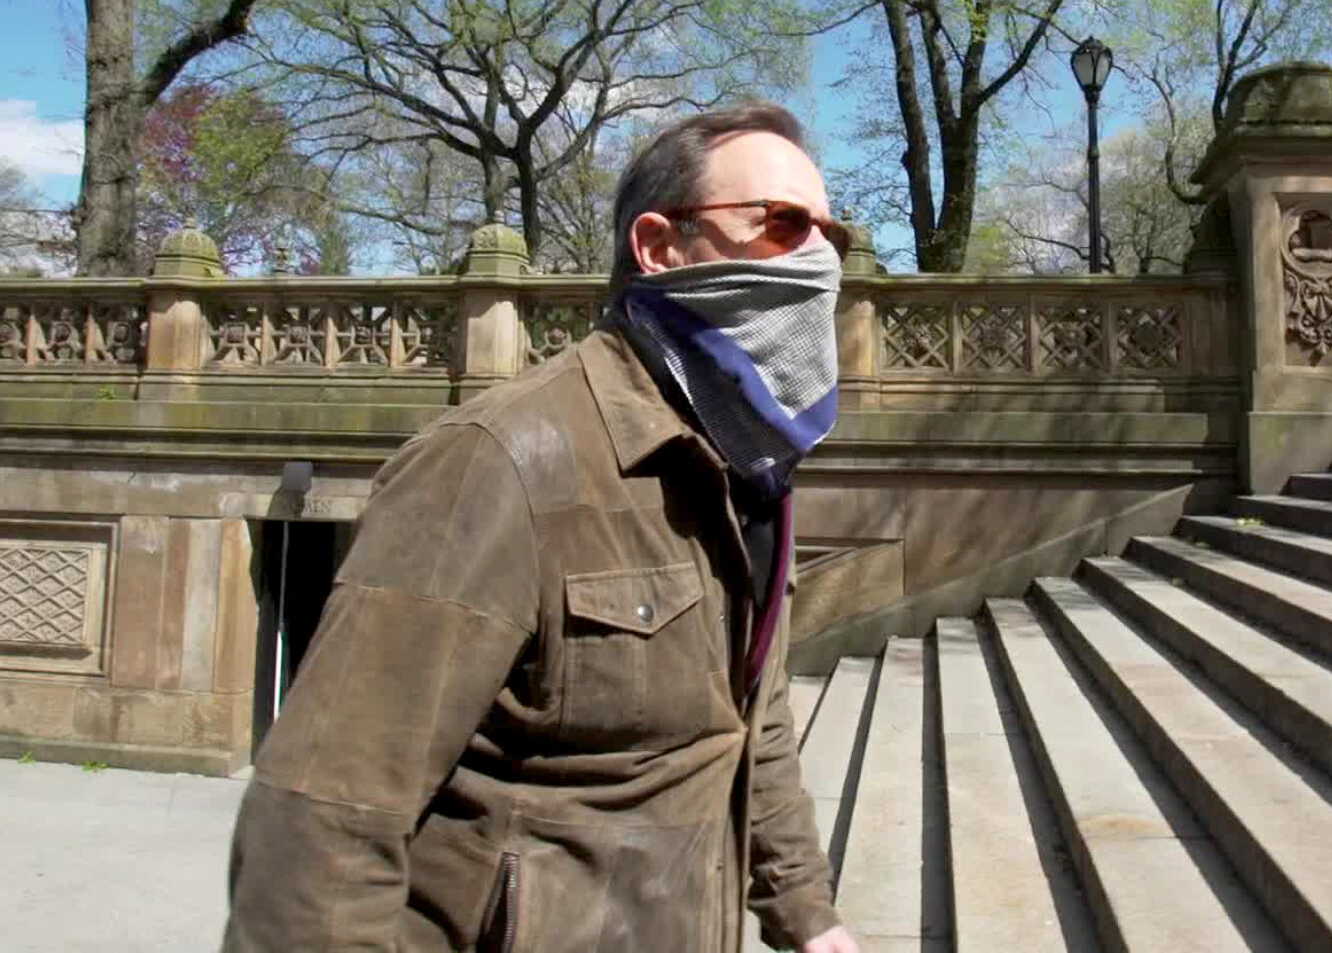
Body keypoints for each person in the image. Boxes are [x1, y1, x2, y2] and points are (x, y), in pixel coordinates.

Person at [222, 104, 860, 953]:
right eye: (780, 224)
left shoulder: (752, 465)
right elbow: (323, 819)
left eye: (830, 234)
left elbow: (753, 723)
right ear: (660, 247)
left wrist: (807, 917)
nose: (817, 256)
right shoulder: (497, 460)